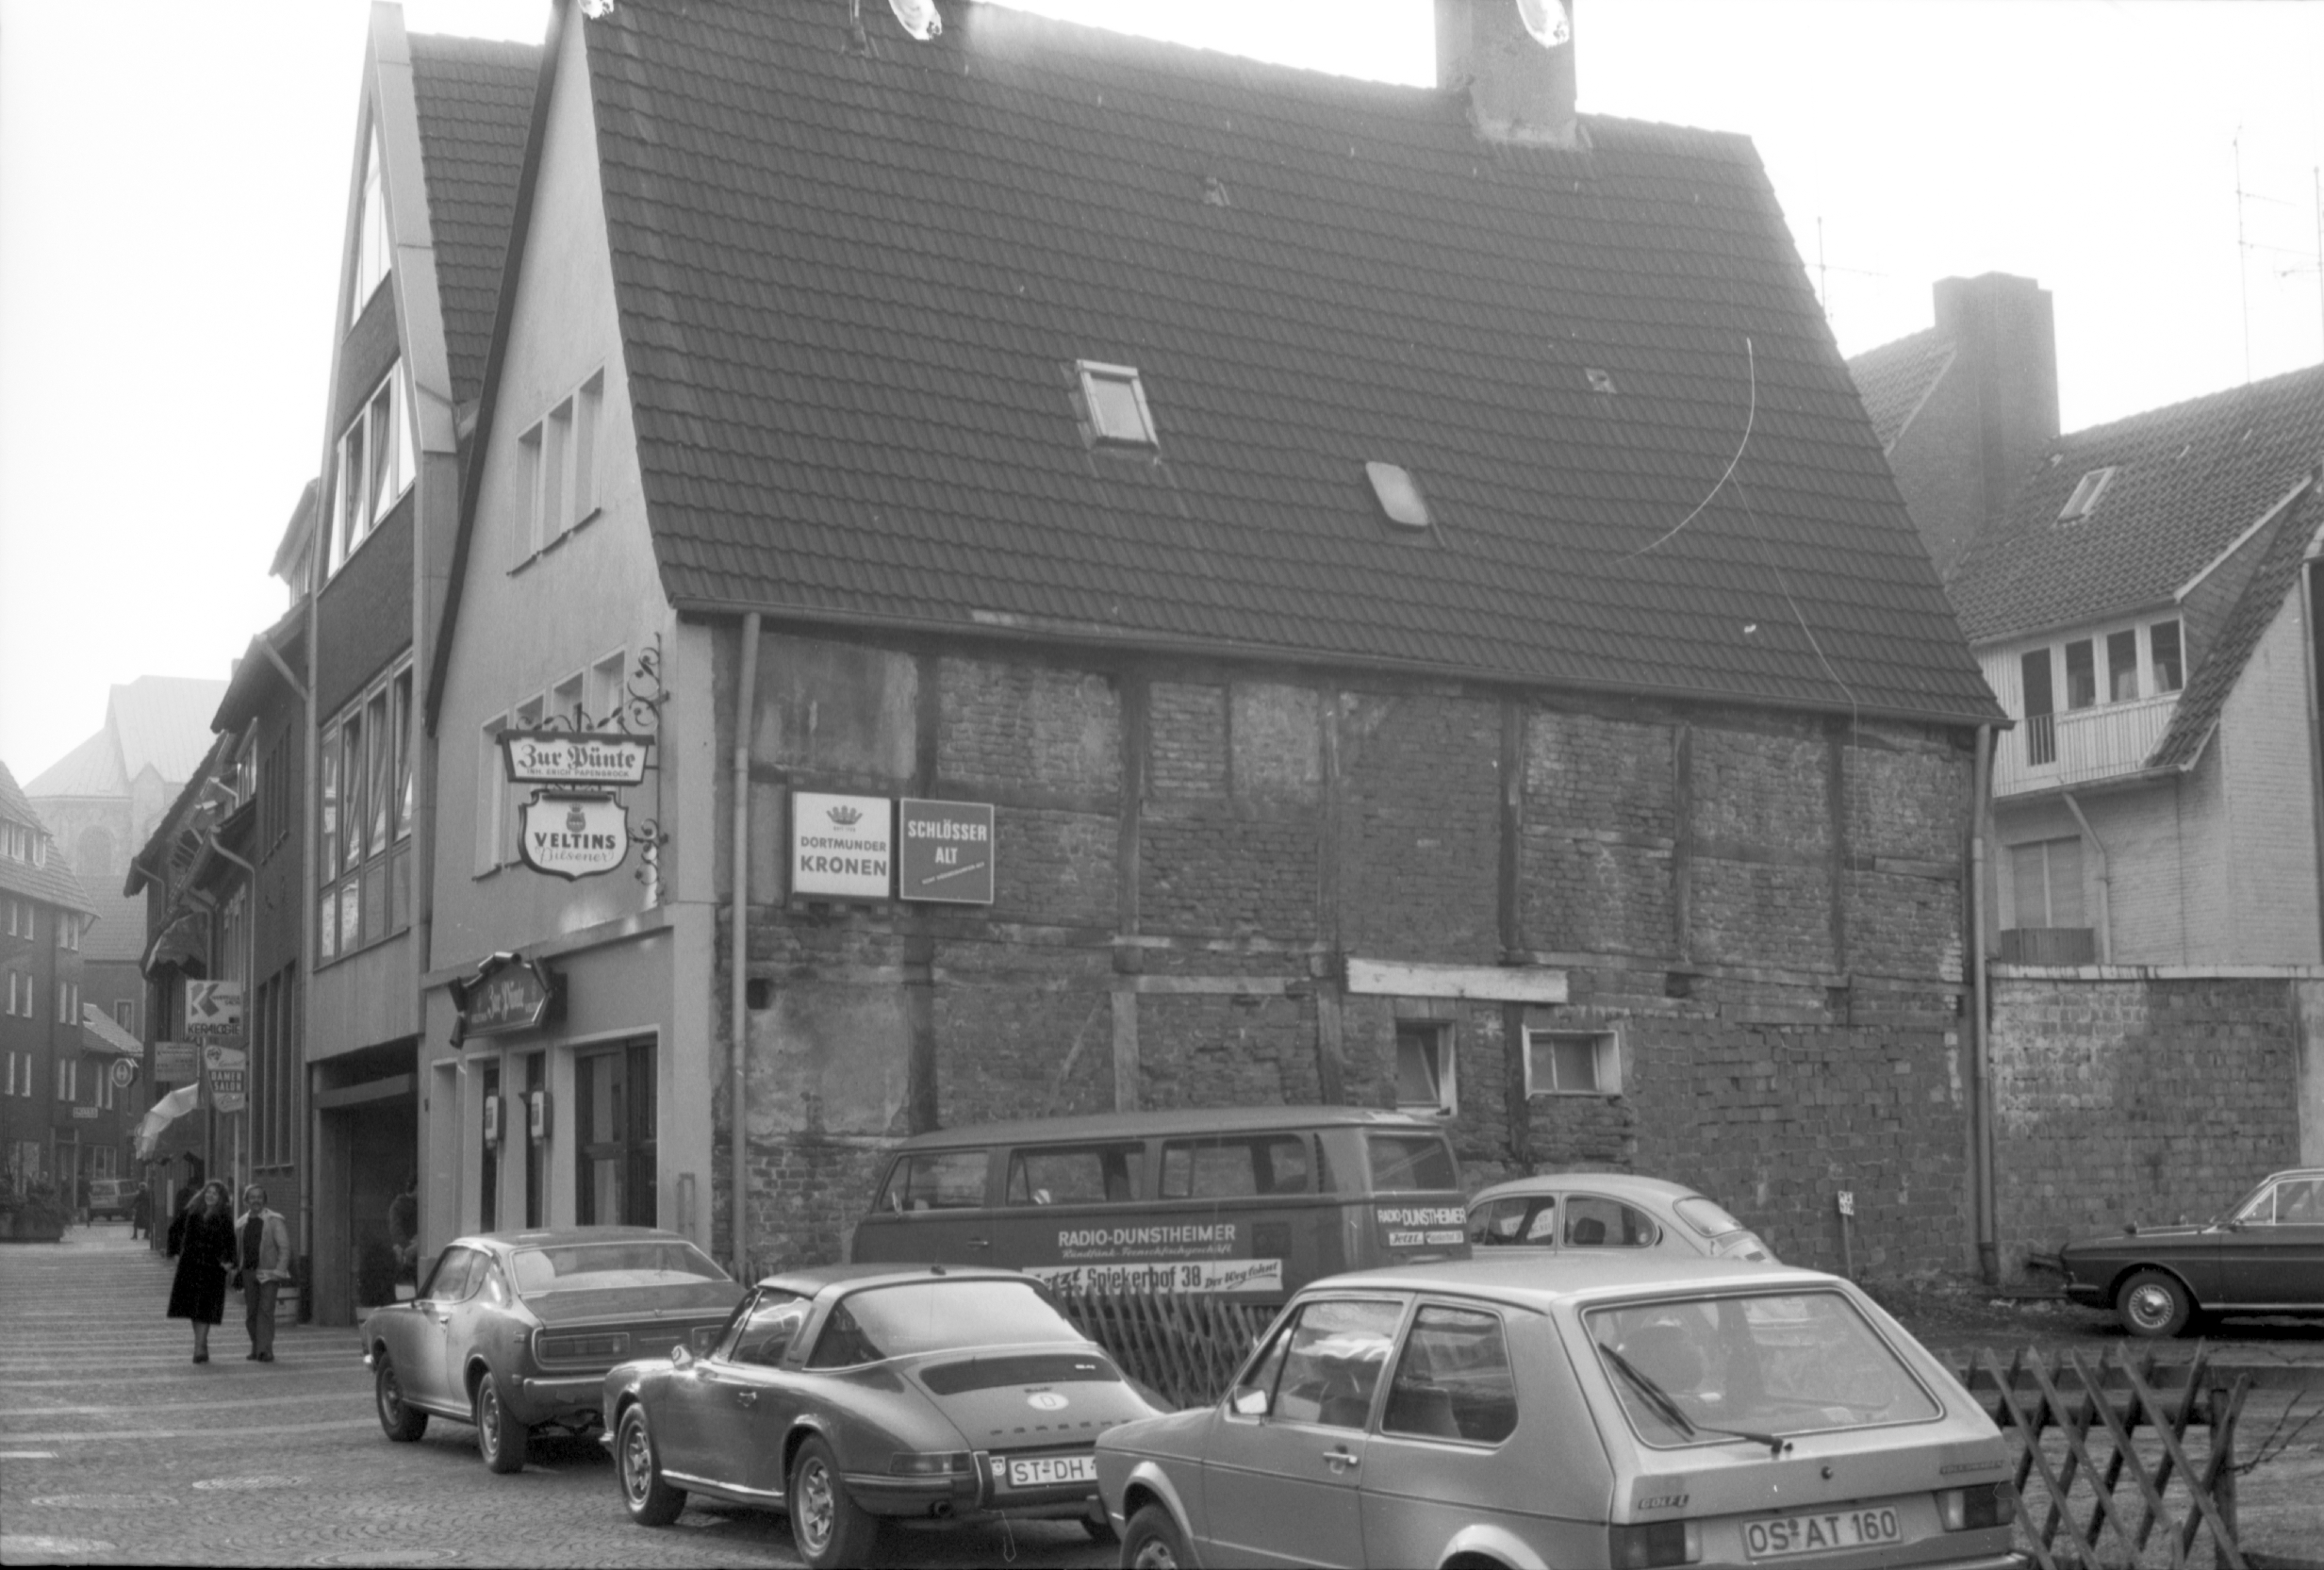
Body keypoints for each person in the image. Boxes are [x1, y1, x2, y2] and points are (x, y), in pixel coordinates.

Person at [165, 1181, 237, 1363]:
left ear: (221, 1198)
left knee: (205, 1308)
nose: (210, 1196)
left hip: (213, 1268)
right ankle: (201, 1344)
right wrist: (175, 1253)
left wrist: (229, 1262)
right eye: (208, 1192)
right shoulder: (191, 1211)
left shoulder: (224, 1217)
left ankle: (199, 1348)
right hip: (190, 1266)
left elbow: (230, 1241)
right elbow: (174, 1230)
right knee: (193, 1308)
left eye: (215, 1194)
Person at [235, 1183, 292, 1363]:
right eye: (252, 1197)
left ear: (264, 1200)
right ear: (246, 1201)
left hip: (269, 1274)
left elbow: (284, 1247)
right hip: (248, 1273)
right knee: (251, 1313)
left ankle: (265, 1351)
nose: (256, 1200)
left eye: (259, 1197)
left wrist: (279, 1271)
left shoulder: (274, 1220)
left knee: (266, 1311)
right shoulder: (241, 1223)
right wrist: (237, 1271)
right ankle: (256, 1347)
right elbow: (238, 1250)